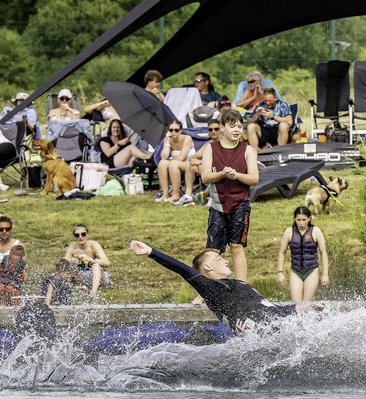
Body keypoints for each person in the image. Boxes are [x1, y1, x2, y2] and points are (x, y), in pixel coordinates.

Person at [129, 240, 324, 334]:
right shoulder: (213, 289)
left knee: (321, 318)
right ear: (207, 268)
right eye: (219, 258)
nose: (225, 260)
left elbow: (271, 308)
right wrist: (151, 252)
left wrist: (303, 307)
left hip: (280, 323)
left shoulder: (239, 284)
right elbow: (183, 270)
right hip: (263, 334)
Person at [197, 109, 259, 305]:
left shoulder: (247, 149)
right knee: (212, 250)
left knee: (236, 246)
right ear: (222, 128)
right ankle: (204, 292)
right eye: (232, 126)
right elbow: (206, 176)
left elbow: (254, 178)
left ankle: (242, 289)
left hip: (240, 204)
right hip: (217, 205)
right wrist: (223, 173)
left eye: (240, 126)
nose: (237, 129)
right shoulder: (211, 148)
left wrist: (237, 175)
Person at [277, 206, 330, 302]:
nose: (301, 223)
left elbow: (323, 253)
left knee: (306, 304)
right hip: (296, 271)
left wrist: (325, 274)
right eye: (299, 220)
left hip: (311, 270)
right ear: (294, 219)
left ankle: (317, 309)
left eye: (304, 220)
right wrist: (280, 272)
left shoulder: (316, 231)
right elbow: (282, 252)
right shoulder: (289, 232)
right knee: (297, 305)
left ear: (309, 219)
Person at [63, 224, 110, 299]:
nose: (80, 237)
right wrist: (71, 261)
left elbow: (107, 262)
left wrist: (92, 260)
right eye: (77, 235)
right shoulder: (72, 247)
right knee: (70, 267)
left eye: (83, 234)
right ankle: (80, 288)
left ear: (87, 235)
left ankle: (93, 293)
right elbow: (62, 265)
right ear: (74, 237)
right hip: (81, 277)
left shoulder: (93, 245)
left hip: (97, 276)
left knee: (96, 265)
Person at [156, 120, 196, 204]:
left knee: (173, 164)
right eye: (171, 130)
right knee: (162, 163)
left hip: (189, 164)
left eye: (176, 130)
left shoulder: (187, 138)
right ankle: (165, 194)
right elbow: (164, 157)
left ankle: (175, 195)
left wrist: (170, 160)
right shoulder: (168, 139)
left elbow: (181, 157)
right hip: (175, 164)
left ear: (181, 130)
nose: (173, 132)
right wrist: (167, 143)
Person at [186, 119, 221, 194]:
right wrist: (195, 163)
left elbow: (222, 161)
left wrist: (200, 162)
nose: (213, 131)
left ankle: (211, 193)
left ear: (221, 129)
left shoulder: (225, 141)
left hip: (222, 170)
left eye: (216, 129)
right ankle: (188, 195)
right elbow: (193, 157)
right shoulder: (209, 143)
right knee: (191, 166)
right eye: (210, 129)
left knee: (199, 166)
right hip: (209, 169)